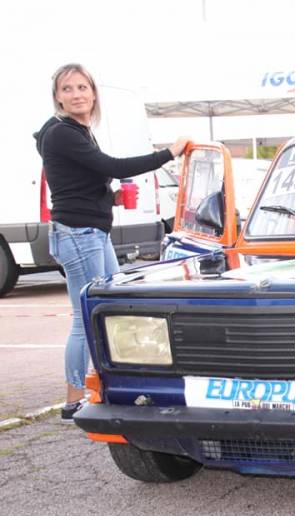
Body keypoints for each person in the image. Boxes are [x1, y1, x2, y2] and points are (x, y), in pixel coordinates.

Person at [34, 63, 189, 421]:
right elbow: (113, 166)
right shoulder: (61, 132)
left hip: (89, 230)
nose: (77, 94)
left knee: (112, 307)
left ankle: (108, 383)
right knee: (84, 317)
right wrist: (169, 153)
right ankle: (74, 399)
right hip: (79, 234)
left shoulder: (76, 130)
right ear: (57, 96)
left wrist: (111, 199)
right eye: (68, 89)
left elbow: (79, 181)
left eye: (82, 87)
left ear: (93, 92)